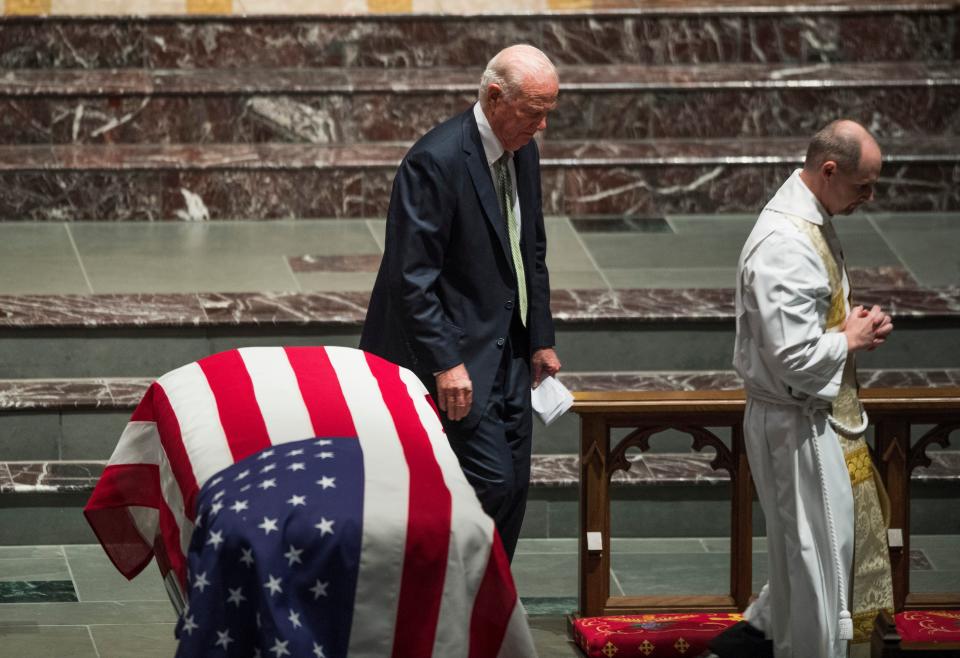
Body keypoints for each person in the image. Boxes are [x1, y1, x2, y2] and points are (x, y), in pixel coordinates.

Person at [360, 44, 562, 562]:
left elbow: (529, 247)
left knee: (515, 484)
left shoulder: (524, 150)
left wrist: (540, 336)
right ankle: (449, 598)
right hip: (456, 356)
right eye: (534, 111)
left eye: (547, 113)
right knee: (490, 481)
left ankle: (488, 605)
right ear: (496, 98)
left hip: (510, 349)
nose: (541, 127)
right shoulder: (437, 161)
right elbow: (411, 278)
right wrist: (446, 363)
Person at [727, 119, 895, 658]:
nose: (868, 198)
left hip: (810, 418)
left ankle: (758, 640)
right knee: (815, 572)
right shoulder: (785, 242)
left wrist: (853, 329)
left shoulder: (812, 219)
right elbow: (794, 356)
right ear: (828, 171)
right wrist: (848, 340)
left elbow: (812, 323)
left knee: (816, 564)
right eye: (862, 186)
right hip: (795, 423)